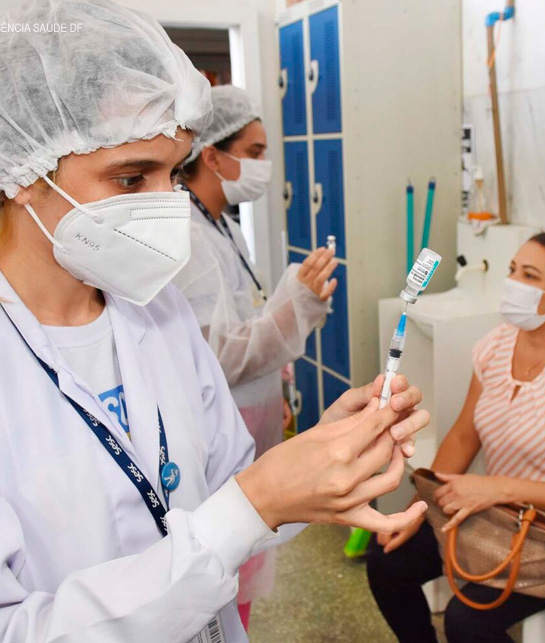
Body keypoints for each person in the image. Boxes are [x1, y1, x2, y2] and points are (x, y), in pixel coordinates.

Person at [0, 1, 430, 641]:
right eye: (131, 176)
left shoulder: (157, 311)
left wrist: (314, 464)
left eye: (172, 173)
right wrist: (252, 504)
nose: (166, 206)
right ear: (23, 174)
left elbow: (230, 500)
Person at [367, 232, 545, 642]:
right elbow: (461, 438)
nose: (514, 283)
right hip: (502, 509)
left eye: (530, 275)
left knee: (468, 620)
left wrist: (492, 488)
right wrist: (416, 510)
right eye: (512, 270)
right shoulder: (496, 345)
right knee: (387, 558)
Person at [171, 84, 337, 627]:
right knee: (225, 571)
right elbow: (216, 357)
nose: (264, 166)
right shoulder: (188, 238)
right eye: (256, 152)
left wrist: (282, 385)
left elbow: (245, 321)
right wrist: (298, 308)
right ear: (212, 155)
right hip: (223, 428)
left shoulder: (223, 228)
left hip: (254, 415)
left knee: (244, 568)